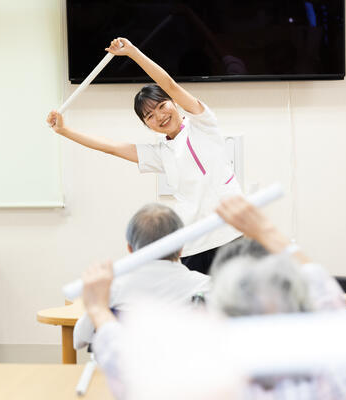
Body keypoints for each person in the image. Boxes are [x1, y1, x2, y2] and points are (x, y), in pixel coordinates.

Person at [81, 196, 346, 400]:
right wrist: (266, 231)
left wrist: (98, 308)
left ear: (130, 247)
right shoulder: (336, 377)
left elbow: (95, 343)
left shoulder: (180, 387)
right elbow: (326, 299)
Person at [47, 37, 242, 274]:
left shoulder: (202, 123)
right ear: (148, 126)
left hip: (232, 233)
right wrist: (64, 131)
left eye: (161, 106)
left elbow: (169, 83)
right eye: (150, 116)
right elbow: (112, 147)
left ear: (174, 103)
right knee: (199, 308)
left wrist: (133, 53)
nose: (159, 116)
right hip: (195, 244)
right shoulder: (161, 153)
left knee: (242, 306)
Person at [73, 203, 210, 349]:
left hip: (121, 369)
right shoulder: (205, 286)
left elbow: (79, 339)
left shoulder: (110, 289)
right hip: (182, 369)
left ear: (130, 249)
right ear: (181, 247)